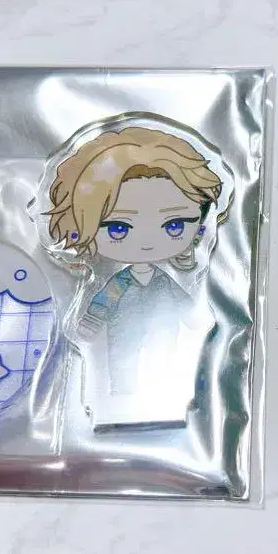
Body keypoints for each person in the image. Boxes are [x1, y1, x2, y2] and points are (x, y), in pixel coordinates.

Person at [45, 124, 224, 422]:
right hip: (123, 326)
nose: (147, 242)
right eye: (118, 228)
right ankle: (121, 396)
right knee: (121, 358)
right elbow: (103, 301)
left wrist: (195, 317)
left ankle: (163, 394)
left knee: (164, 355)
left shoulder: (164, 280)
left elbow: (185, 303)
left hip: (164, 328)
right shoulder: (120, 281)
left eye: (174, 225)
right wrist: (91, 322)